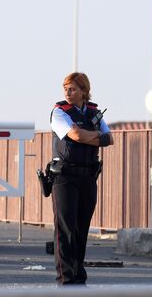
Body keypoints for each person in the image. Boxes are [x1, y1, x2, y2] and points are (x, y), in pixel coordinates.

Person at [49, 72, 113, 285]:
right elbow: (74, 136)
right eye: (65, 88)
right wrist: (92, 137)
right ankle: (66, 279)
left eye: (73, 88)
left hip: (87, 177)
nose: (68, 92)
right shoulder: (59, 112)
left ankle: (78, 275)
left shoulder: (95, 113)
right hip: (65, 177)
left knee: (81, 228)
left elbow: (109, 138)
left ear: (84, 91)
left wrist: (86, 135)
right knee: (65, 229)